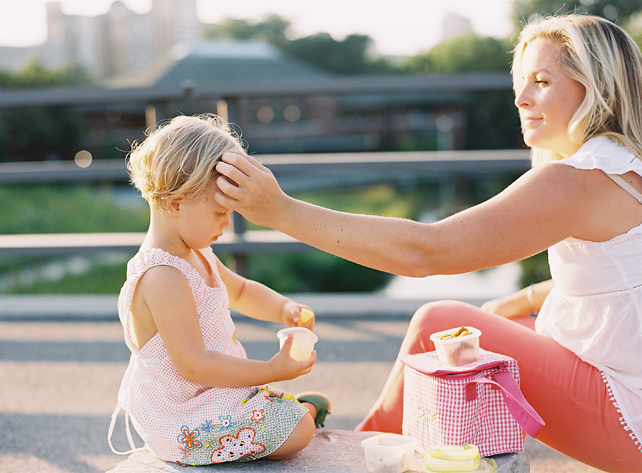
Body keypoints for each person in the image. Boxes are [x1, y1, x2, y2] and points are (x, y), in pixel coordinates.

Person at [214, 14, 642, 472]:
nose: (520, 98)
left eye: (541, 81)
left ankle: (349, 457)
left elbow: (427, 251)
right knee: (480, 327)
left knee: (438, 323)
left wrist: (280, 211)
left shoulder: (580, 180)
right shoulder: (624, 167)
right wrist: (518, 300)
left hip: (627, 421)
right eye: (520, 81)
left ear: (600, 88)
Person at [108, 114, 330, 466]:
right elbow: (196, 365)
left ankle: (289, 412)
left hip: (212, 396)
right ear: (175, 202)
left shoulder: (197, 253)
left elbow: (240, 290)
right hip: (183, 417)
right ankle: (299, 414)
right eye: (219, 212)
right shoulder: (163, 276)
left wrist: (282, 307)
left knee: (279, 420)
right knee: (297, 432)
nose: (227, 223)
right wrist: (272, 370)